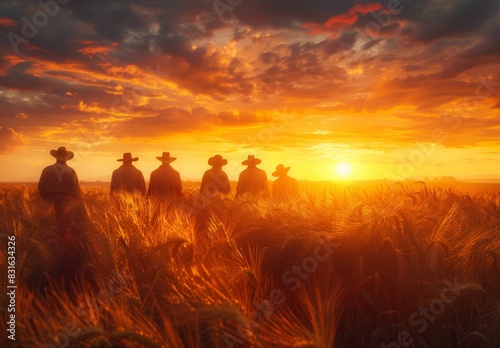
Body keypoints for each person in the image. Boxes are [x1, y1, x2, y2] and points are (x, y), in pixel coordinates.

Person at [38, 146, 81, 229]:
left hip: (49, 198)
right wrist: (71, 201)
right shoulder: (70, 171)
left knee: (50, 224)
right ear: (66, 158)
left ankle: (51, 240)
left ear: (56, 157)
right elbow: (75, 189)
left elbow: (41, 186)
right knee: (64, 224)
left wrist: (46, 198)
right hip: (65, 200)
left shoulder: (46, 170)